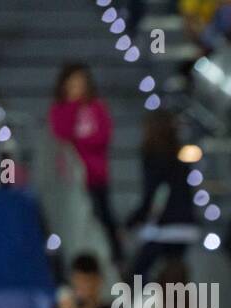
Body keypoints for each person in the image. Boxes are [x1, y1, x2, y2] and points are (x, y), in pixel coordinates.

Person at [49, 64, 121, 264]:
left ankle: (114, 260)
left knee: (103, 217)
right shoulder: (60, 109)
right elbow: (61, 135)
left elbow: (102, 138)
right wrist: (72, 107)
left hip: (96, 175)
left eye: (81, 82)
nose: (77, 87)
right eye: (72, 83)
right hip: (70, 178)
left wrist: (78, 142)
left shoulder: (97, 107)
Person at [126, 109, 199, 281]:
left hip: (164, 226)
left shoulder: (152, 156)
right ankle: (176, 306)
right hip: (186, 225)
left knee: (136, 275)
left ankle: (141, 306)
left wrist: (132, 221)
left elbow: (153, 195)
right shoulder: (181, 155)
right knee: (174, 276)